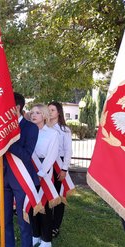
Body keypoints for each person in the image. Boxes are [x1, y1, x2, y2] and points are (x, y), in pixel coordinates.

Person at [0, 93, 39, 247]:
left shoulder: (30, 128)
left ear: (17, 107)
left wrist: (8, 141)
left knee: (23, 223)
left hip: (22, 181)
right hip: (3, 178)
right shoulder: (2, 128)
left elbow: (27, 155)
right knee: (5, 221)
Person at [30, 104, 59, 247]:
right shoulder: (28, 131)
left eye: (38, 113)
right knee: (32, 204)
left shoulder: (53, 133)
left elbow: (52, 155)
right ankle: (35, 235)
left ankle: (46, 240)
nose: (34, 115)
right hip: (30, 170)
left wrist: (41, 173)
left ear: (45, 116)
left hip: (45, 172)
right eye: (32, 112)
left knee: (45, 207)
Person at [48, 101, 72, 238]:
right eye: (48, 109)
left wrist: (64, 169)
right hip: (47, 165)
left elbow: (68, 151)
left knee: (59, 196)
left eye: (53, 110)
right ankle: (46, 223)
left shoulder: (64, 130)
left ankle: (55, 226)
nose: (50, 112)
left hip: (59, 165)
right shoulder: (44, 127)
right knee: (47, 194)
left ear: (58, 112)